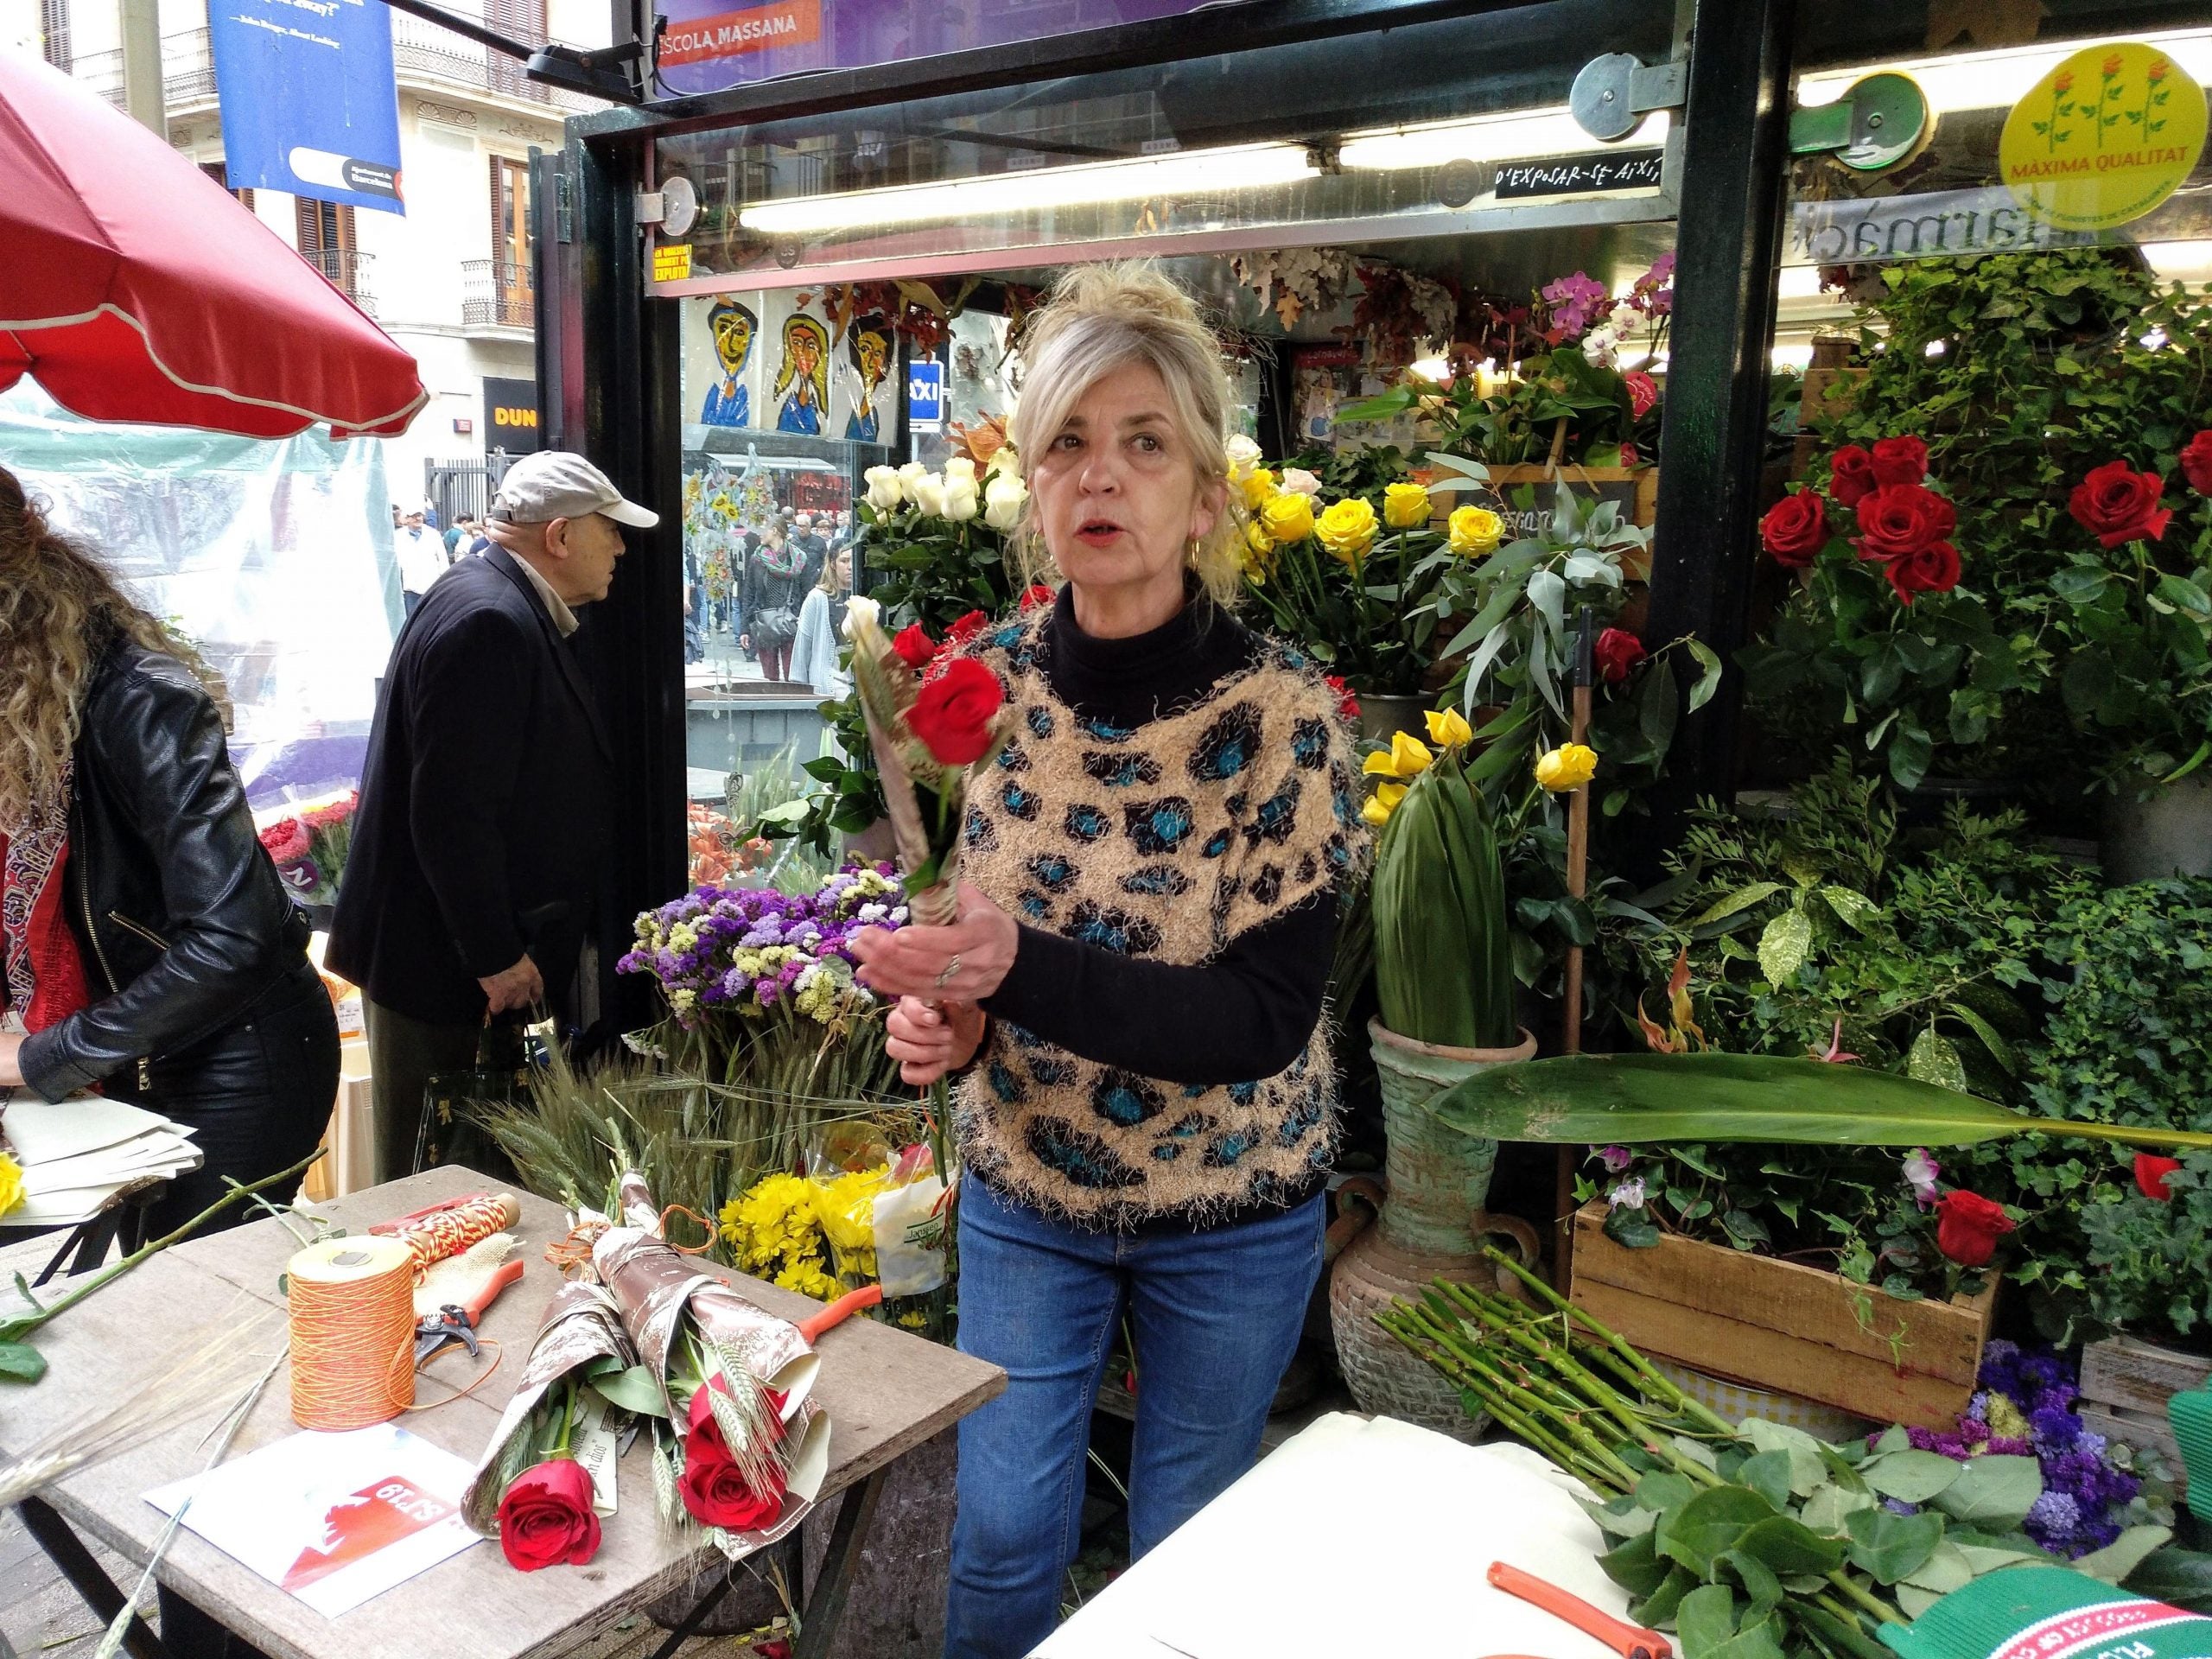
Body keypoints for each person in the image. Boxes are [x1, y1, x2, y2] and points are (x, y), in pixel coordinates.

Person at [846, 263, 1365, 1659]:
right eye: (1068, 441)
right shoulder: (984, 689)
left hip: (1238, 1211)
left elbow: (1260, 1019)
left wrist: (1008, 971)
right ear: (1030, 483)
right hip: (1034, 1190)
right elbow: (969, 947)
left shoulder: (1289, 723)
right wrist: (938, 1021)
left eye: (1146, 444)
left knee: (1181, 1553)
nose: (1103, 477)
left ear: (1205, 497)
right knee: (1004, 1527)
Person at [0, 466, 340, 1237]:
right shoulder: (18, 698)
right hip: (116, 1052)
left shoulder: (139, 698)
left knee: (182, 1311)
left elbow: (236, 936)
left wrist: (47, 1056)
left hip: (234, 1059)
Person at [327, 451, 657, 1183]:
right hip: (446, 974)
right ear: (562, 536)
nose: (623, 549)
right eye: (613, 531)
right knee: (440, 1184)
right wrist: (495, 955)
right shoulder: (490, 620)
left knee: (458, 1177)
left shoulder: (489, 598)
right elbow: (450, 813)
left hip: (451, 963)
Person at [738, 519, 806, 683]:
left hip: (791, 620)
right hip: (764, 621)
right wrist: (745, 628)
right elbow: (749, 593)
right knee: (770, 677)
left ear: (775, 530)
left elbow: (806, 591)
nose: (760, 533)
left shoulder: (798, 558)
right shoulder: (758, 558)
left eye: (763, 529)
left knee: (794, 675)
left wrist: (804, 620)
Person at [787, 546, 852, 701]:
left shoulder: (864, 594)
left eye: (852, 561)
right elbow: (803, 642)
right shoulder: (817, 598)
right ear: (832, 564)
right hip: (828, 681)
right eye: (844, 561)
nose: (850, 567)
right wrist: (799, 687)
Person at [393, 507, 448, 619]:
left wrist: (444, 581)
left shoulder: (433, 534)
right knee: (412, 619)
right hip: (410, 587)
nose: (418, 518)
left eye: (420, 515)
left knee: (432, 618)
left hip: (432, 585)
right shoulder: (398, 536)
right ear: (407, 519)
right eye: (414, 516)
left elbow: (443, 559)